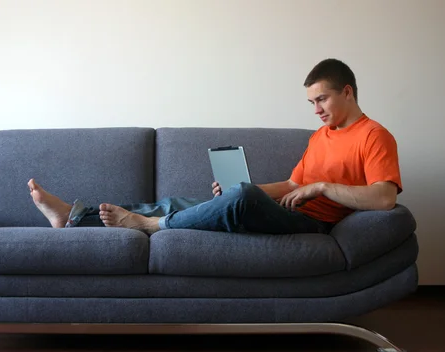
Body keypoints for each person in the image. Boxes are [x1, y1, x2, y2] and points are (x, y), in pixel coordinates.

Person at [28, 58, 402, 235]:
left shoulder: (374, 136)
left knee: (239, 196)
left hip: (313, 223)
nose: (316, 110)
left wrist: (321, 188)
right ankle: (75, 217)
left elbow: (384, 198)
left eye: (321, 100)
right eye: (311, 104)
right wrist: (245, 191)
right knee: (189, 200)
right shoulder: (320, 137)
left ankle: (152, 225)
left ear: (348, 92)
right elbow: (290, 186)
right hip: (287, 208)